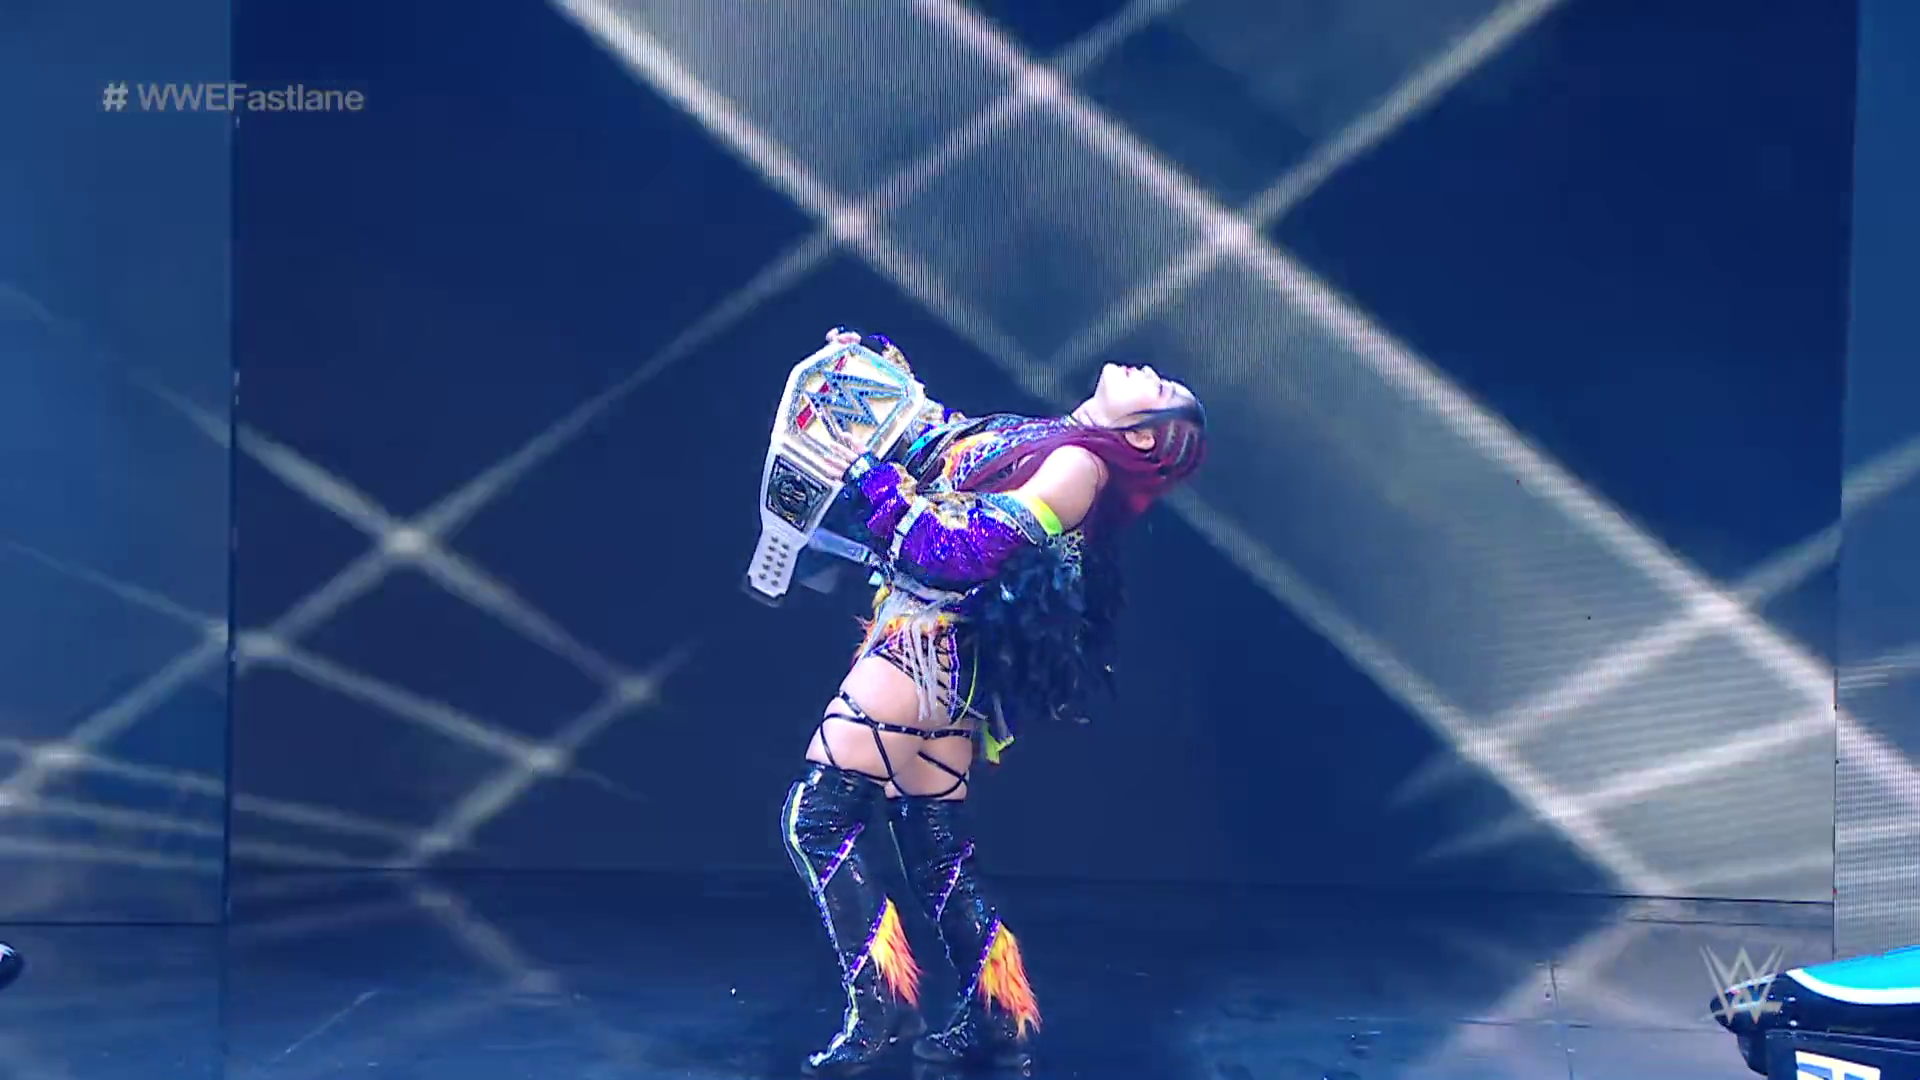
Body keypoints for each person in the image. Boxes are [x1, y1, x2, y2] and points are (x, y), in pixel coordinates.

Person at [776, 330, 1206, 1075]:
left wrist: (871, 479)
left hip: (928, 646)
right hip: (942, 652)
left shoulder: (1078, 467)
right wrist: (873, 369)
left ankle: (883, 1006)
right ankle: (998, 1013)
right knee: (932, 843)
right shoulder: (1054, 440)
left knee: (816, 818)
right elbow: (942, 440)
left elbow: (956, 550)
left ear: (1142, 434)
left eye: (1162, 387)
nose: (1149, 369)